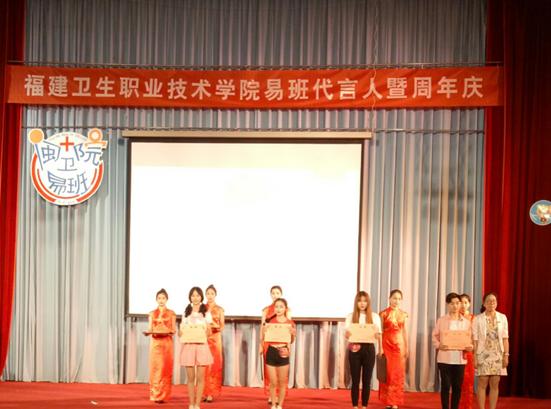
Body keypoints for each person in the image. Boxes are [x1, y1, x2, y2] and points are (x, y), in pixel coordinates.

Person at [432, 292, 473, 409]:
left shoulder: (466, 322)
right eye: (452, 303)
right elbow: (434, 336)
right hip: (444, 358)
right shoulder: (442, 320)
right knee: (445, 386)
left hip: (460, 360)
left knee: (457, 387)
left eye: (457, 303)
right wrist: (439, 345)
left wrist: (470, 346)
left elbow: (470, 339)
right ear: (447, 305)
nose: (455, 306)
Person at [344, 291, 382, 409]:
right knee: (355, 380)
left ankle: (364, 405)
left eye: (365, 301)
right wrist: (348, 334)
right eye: (360, 301)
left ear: (368, 303)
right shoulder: (350, 316)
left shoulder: (374, 316)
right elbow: (347, 335)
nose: (362, 303)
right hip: (354, 349)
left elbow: (378, 335)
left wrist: (377, 338)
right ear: (356, 302)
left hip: (369, 349)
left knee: (367, 380)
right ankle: (355, 406)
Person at [473, 292, 509, 409]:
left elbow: (505, 338)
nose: (491, 303)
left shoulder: (502, 317)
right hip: (483, 354)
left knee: (495, 383)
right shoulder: (478, 319)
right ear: (484, 303)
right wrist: (474, 357)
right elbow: (475, 340)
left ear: (496, 303)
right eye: (488, 301)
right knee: (482, 383)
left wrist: (506, 355)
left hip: (498, 354)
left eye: (493, 301)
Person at [180, 287, 213, 409]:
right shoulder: (186, 313)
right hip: (188, 346)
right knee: (190, 378)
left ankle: (197, 404)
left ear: (201, 297)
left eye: (197, 295)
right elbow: (181, 332)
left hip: (201, 346)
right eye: (193, 295)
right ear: (190, 297)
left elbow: (209, 332)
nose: (195, 298)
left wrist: (205, 330)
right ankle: (191, 403)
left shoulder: (206, 313)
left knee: (200, 378)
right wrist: (182, 331)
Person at [261, 298, 296, 409]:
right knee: (272, 382)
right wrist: (264, 330)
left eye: (281, 307)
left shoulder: (290, 323)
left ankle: (280, 405)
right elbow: (264, 337)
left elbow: (291, 340)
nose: (278, 309)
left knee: (282, 382)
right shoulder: (269, 321)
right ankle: (273, 404)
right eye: (276, 306)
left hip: (283, 351)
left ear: (285, 309)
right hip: (271, 351)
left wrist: (293, 334)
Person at [379, 289, 408, 409]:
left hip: (399, 346)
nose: (397, 301)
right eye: (394, 298)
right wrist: (380, 348)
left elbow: (404, 331)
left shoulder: (403, 314)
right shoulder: (383, 314)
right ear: (390, 298)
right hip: (386, 345)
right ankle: (388, 401)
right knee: (387, 373)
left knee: (397, 374)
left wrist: (406, 347)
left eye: (399, 299)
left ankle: (395, 401)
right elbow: (380, 332)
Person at [146, 288, 176, 403]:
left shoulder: (171, 313)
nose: (161, 300)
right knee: (156, 369)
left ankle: (164, 395)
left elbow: (173, 330)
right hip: (156, 344)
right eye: (159, 298)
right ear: (156, 299)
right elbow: (150, 329)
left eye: (163, 298)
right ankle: (155, 394)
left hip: (167, 344)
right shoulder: (152, 313)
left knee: (165, 369)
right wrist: (148, 332)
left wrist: (168, 331)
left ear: (167, 299)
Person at [202, 284, 225, 403]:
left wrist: (216, 326)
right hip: (204, 338)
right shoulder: (202, 308)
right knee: (203, 366)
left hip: (215, 339)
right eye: (208, 293)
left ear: (215, 295)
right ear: (205, 295)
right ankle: (204, 392)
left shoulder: (220, 309)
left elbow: (222, 326)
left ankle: (210, 392)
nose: (210, 296)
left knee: (214, 365)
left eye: (212, 293)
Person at [459, 294, 475, 409]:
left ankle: (467, 406)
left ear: (469, 304)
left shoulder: (474, 318)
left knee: (468, 382)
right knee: (457, 382)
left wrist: (472, 346)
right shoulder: (454, 317)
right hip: (456, 352)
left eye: (465, 302)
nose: (463, 305)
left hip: (469, 353)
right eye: (461, 302)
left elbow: (476, 336)